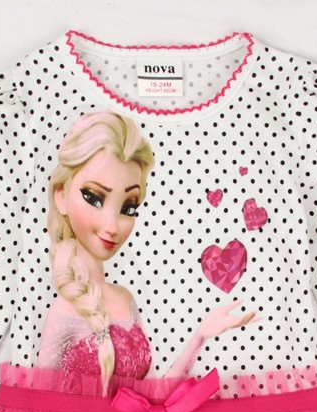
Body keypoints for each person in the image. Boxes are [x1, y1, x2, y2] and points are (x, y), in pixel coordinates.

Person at [37, 110, 262, 395]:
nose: (112, 226)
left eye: (128, 207)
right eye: (94, 198)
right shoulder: (63, 311)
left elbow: (154, 396)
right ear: (61, 196)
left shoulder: (125, 298)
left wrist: (200, 336)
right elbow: (40, 407)